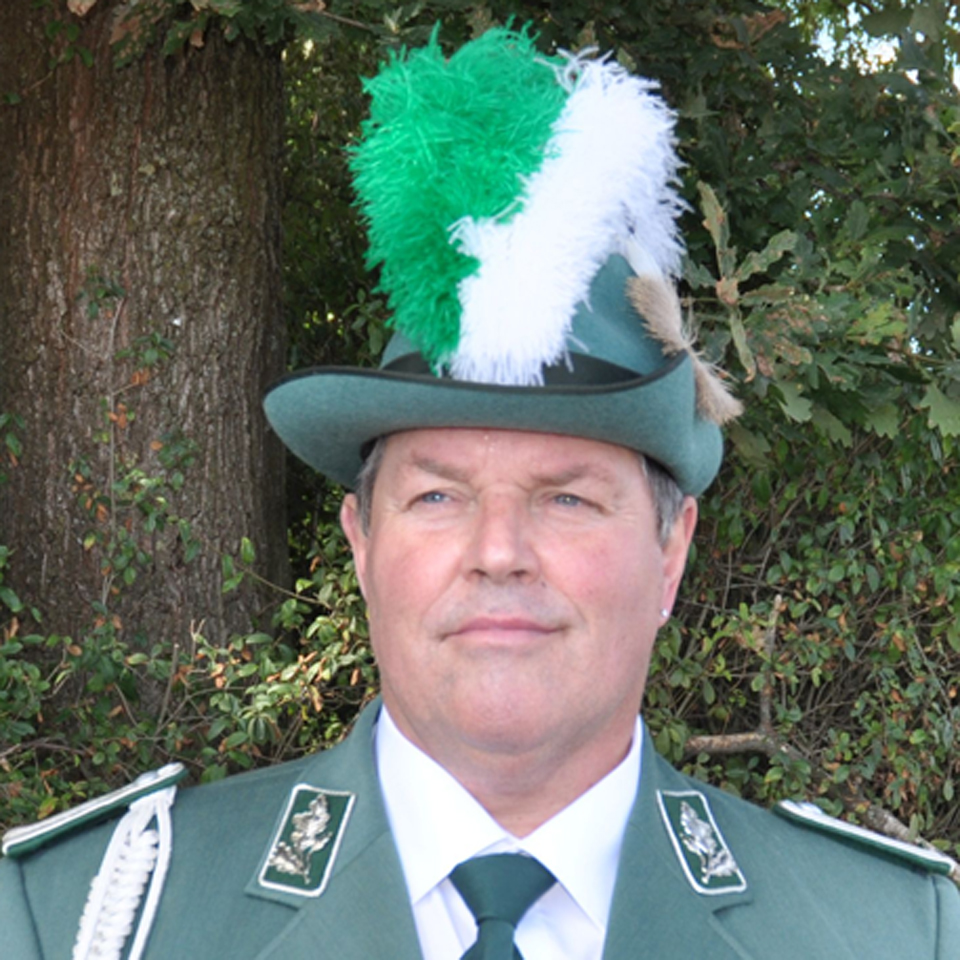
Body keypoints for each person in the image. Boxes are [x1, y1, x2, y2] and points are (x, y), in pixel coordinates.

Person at [1, 27, 958, 960]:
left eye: (567, 499)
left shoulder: (892, 934)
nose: (499, 551)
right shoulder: (89, 920)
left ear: (671, 553)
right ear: (362, 545)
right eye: (438, 498)